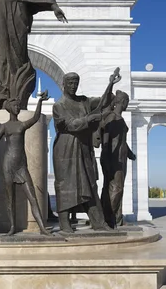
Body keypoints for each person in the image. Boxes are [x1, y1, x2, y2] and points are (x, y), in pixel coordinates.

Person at [52, 70, 120, 233]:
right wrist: (89, 119)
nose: (73, 86)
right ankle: (64, 222)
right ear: (64, 84)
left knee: (89, 183)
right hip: (65, 150)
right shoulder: (58, 105)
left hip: (83, 147)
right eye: (70, 83)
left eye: (76, 83)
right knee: (66, 185)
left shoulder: (84, 101)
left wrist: (110, 84)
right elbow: (71, 125)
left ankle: (98, 222)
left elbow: (102, 103)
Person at [0, 90, 52, 236]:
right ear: (9, 108)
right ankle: (12, 227)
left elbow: (36, 117)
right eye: (15, 106)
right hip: (8, 165)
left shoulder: (22, 125)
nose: (17, 108)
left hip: (21, 165)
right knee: (10, 198)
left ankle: (42, 228)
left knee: (32, 197)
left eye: (18, 106)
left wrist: (40, 102)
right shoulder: (5, 126)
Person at [99, 90, 136, 228]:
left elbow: (122, 140)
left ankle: (117, 219)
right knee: (116, 188)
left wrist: (130, 154)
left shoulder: (120, 119)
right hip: (113, 157)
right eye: (126, 101)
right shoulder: (112, 117)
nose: (127, 104)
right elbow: (106, 139)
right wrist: (106, 156)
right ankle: (108, 218)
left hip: (120, 157)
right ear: (122, 102)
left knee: (114, 187)